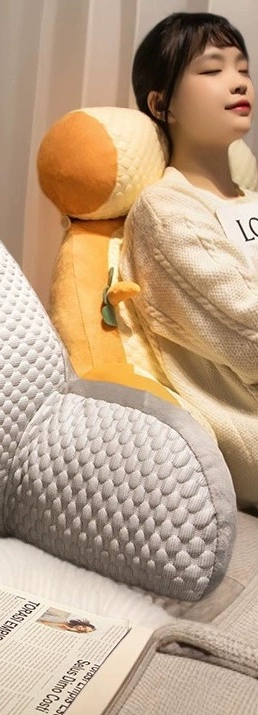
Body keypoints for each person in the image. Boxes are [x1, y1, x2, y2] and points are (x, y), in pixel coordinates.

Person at [120, 12, 258, 507]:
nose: (239, 81)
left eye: (243, 68)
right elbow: (249, 335)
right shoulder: (164, 212)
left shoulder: (251, 201)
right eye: (212, 69)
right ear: (162, 104)